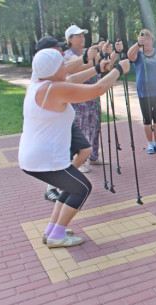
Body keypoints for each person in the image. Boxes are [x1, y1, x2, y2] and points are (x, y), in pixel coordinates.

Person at [19, 49, 129, 248]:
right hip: (44, 159)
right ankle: (56, 236)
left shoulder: (41, 84)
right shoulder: (52, 90)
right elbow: (97, 90)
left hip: (37, 157)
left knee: (72, 187)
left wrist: (97, 68)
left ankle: (52, 230)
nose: (65, 67)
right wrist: (119, 70)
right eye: (61, 64)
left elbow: (71, 79)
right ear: (52, 70)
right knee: (82, 188)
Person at [34, 36, 92, 202]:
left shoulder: (55, 67)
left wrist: (97, 65)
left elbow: (72, 77)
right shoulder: (43, 72)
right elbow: (71, 75)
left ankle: (61, 183)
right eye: (57, 50)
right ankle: (53, 186)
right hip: (51, 123)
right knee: (60, 156)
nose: (61, 52)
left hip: (64, 119)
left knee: (85, 150)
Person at [64, 24, 120, 170]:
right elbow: (80, 66)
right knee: (80, 128)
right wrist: (97, 56)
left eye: (83, 35)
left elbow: (103, 64)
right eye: (78, 36)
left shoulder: (87, 51)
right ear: (70, 39)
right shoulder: (69, 55)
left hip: (92, 95)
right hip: (78, 98)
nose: (82, 38)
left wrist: (108, 53)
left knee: (95, 126)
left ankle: (93, 156)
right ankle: (78, 160)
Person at [127, 29, 156, 154]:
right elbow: (129, 55)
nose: (146, 41)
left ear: (153, 40)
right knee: (147, 119)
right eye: (143, 39)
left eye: (148, 39)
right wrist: (137, 44)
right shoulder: (138, 53)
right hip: (144, 91)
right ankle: (150, 143)